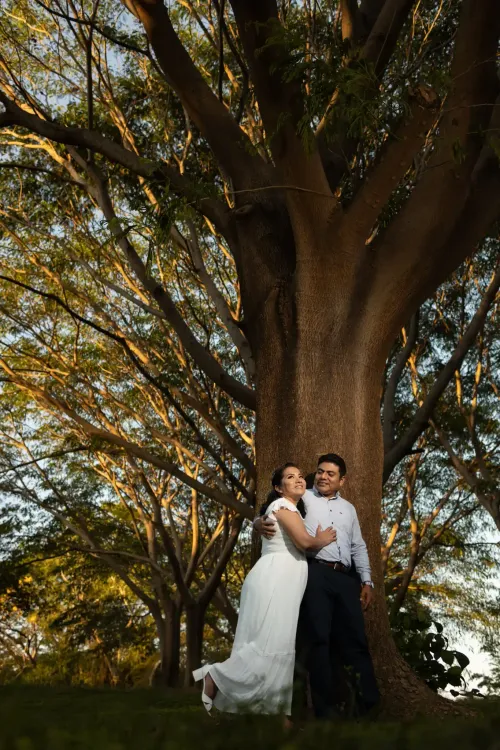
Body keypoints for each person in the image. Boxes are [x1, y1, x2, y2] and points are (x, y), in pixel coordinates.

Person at [192, 463, 336, 717]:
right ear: (279, 488)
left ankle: (277, 715)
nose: (299, 480)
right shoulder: (283, 506)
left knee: (278, 645)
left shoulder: (288, 508)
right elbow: (304, 543)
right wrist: (321, 540)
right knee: (269, 644)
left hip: (283, 580)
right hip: (275, 579)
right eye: (290, 477)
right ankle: (215, 675)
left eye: (301, 476)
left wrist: (257, 522)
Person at [254, 453, 380, 720]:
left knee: (356, 641)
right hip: (315, 575)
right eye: (320, 472)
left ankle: (368, 706)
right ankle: (325, 712)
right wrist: (256, 523)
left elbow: (358, 545)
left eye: (330, 474)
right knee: (319, 642)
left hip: (347, 579)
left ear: (342, 480)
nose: (322, 477)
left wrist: (367, 580)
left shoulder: (349, 509)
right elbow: (273, 508)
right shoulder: (304, 497)